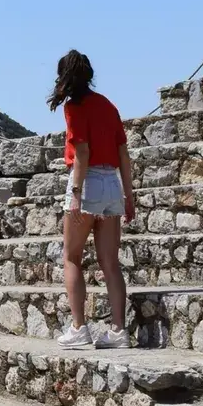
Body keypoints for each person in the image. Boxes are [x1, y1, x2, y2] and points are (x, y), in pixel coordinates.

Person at [47, 49, 135, 349]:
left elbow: (82, 153)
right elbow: (123, 153)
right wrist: (129, 196)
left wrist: (75, 194)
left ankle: (78, 327)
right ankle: (119, 330)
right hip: (112, 183)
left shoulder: (74, 108)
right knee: (110, 262)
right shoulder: (108, 106)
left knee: (71, 257)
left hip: (86, 184)